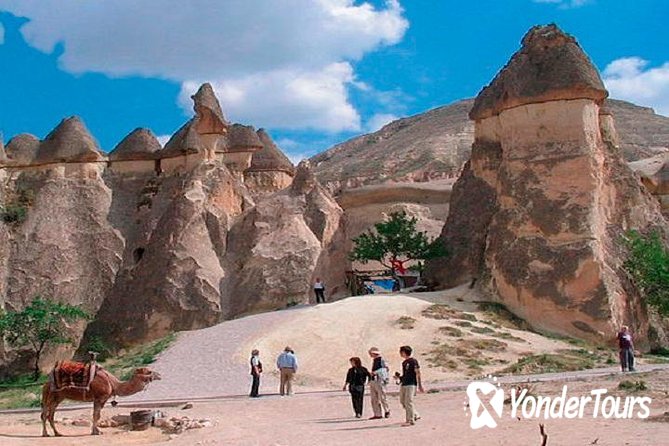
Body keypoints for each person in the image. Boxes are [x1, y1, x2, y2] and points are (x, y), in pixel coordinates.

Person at [396, 345, 424, 426]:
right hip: (404, 383)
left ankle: (410, 420)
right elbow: (405, 374)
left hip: (411, 384)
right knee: (403, 401)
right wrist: (399, 378)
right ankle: (415, 414)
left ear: (404, 352)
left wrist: (419, 385)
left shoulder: (413, 361)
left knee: (408, 401)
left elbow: (417, 373)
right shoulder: (404, 363)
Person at [368, 347, 390, 419]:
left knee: (382, 397)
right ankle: (377, 414)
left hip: (380, 380)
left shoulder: (382, 360)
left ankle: (387, 410)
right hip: (373, 380)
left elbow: (385, 369)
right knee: (374, 398)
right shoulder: (374, 360)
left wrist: (376, 372)